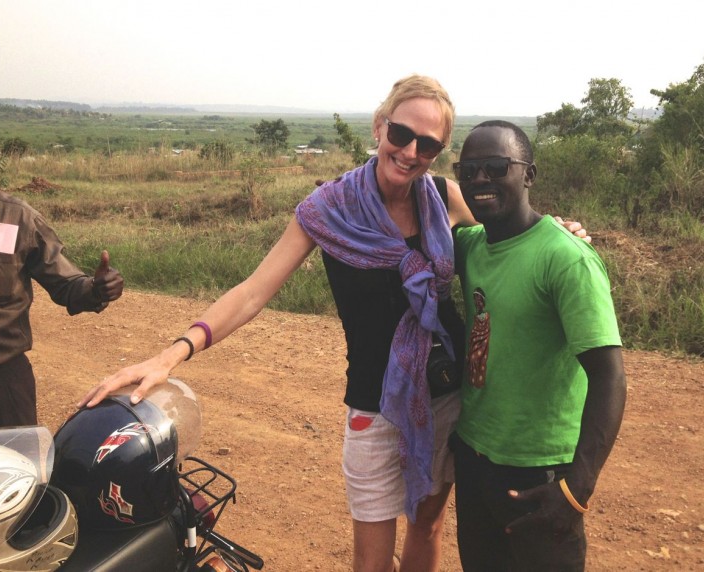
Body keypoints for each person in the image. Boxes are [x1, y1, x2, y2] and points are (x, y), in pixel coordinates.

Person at [78, 76, 586, 572]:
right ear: (379, 126)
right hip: (373, 402)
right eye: (402, 134)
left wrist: (555, 233)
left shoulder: (444, 196)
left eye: (428, 144)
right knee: (370, 557)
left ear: (439, 150)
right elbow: (253, 292)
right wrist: (171, 354)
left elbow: (508, 244)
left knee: (427, 527)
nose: (410, 152)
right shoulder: (327, 209)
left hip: (445, 395)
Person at [449, 120, 627, 571]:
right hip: (474, 458)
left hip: (540, 471)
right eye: (468, 171)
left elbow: (609, 376)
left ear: (529, 174)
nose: (480, 180)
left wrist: (577, 489)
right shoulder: (470, 247)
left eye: (495, 166)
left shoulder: (566, 258)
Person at [0, 110, 124, 428]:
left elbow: (66, 283)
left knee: (16, 473)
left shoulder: (19, 220)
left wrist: (95, 288)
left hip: (0, 382)